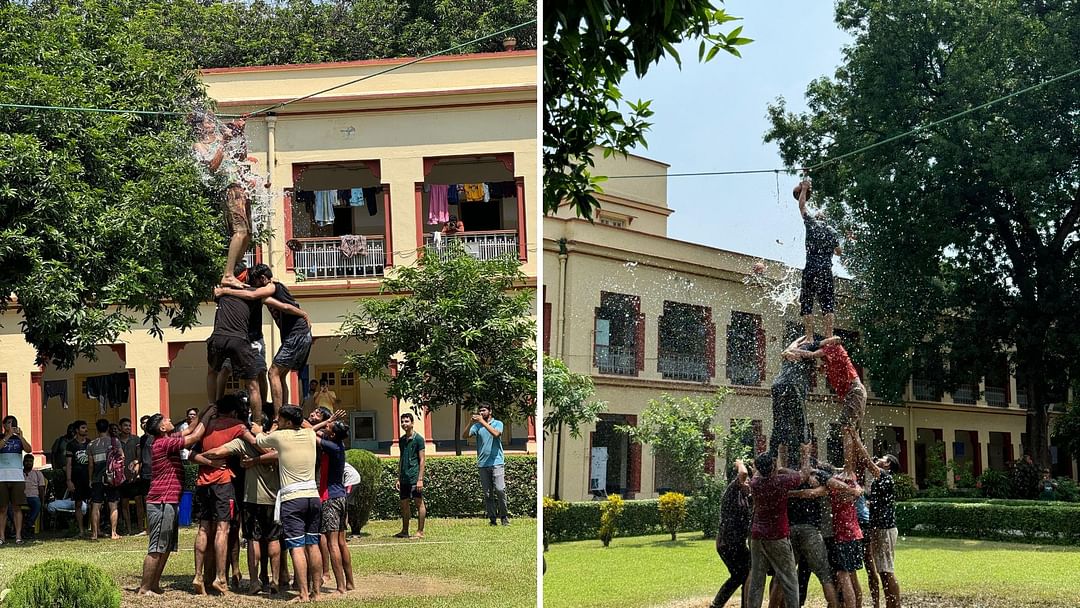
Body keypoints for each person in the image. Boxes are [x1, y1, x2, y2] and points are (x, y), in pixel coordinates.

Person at [253, 406, 344, 603]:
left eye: (280, 418)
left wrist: (268, 427)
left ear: (286, 422)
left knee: (296, 547)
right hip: (313, 497)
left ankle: (303, 593)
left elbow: (259, 440)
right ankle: (317, 593)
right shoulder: (310, 435)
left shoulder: (280, 436)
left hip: (292, 499)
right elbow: (311, 429)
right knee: (313, 544)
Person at [196, 407, 282, 596]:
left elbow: (217, 452)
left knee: (253, 539)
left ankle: (253, 582)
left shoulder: (242, 443)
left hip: (251, 497)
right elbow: (278, 455)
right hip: (274, 498)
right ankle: (275, 580)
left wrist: (201, 457)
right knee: (274, 539)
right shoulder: (279, 441)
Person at [136, 406, 214, 596]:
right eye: (165, 419)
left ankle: (154, 584)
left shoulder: (169, 439)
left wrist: (205, 412)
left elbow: (189, 429)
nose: (169, 419)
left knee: (166, 547)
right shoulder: (163, 443)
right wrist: (210, 414)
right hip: (162, 501)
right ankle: (144, 588)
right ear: (162, 428)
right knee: (156, 547)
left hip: (170, 500)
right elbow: (194, 437)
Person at [216, 263, 310, 411]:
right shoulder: (270, 292)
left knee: (273, 373)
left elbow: (259, 297)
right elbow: (253, 293)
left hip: (296, 334)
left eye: (255, 281)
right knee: (281, 375)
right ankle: (284, 410)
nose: (253, 285)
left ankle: (279, 416)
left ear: (263, 278)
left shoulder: (272, 287)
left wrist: (225, 291)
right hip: (298, 335)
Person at [193, 394, 250, 595]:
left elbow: (191, 454)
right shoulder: (236, 425)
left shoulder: (206, 426)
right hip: (223, 483)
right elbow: (257, 445)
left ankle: (199, 575)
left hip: (202, 482)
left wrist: (208, 462)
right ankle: (220, 577)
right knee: (223, 530)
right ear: (234, 411)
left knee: (203, 529)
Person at [190, 110, 250, 289]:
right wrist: (223, 141)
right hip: (228, 188)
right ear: (200, 126)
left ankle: (233, 269)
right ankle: (228, 274)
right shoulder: (198, 145)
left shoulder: (219, 138)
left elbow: (241, 156)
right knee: (239, 232)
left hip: (240, 187)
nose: (212, 123)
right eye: (208, 121)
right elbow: (212, 167)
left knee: (247, 235)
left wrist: (240, 134)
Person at [746, 447, 812, 608]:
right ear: (774, 467)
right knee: (790, 580)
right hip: (778, 537)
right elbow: (804, 474)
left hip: (757, 537)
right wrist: (805, 453)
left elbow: (757, 472)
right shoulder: (781, 481)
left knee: (756, 580)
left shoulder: (754, 483)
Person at [851, 432, 902, 608]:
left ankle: (894, 605)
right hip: (881, 529)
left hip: (884, 529)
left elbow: (866, 461)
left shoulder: (884, 476)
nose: (878, 459)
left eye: (882, 458)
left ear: (888, 464)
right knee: (883, 570)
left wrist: (856, 439)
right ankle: (891, 604)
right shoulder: (882, 480)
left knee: (887, 570)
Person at [206, 278, 265, 426]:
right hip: (239, 339)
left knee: (213, 372)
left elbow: (214, 290)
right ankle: (257, 423)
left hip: (218, 337)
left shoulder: (221, 294)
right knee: (252, 384)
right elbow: (260, 294)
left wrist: (225, 289)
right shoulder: (252, 292)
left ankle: (213, 407)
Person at [783, 467, 840, 608]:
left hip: (792, 531)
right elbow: (820, 489)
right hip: (812, 532)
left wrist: (792, 493)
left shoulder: (790, 480)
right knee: (825, 575)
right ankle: (834, 604)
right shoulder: (821, 483)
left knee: (784, 577)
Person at [795, 179, 841, 341]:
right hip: (825, 271)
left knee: (807, 302)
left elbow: (801, 206)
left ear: (817, 217)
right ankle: (828, 335)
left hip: (811, 269)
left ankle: (809, 337)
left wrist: (804, 189)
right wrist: (832, 247)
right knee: (828, 303)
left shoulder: (812, 223)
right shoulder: (832, 232)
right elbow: (839, 252)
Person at [827, 429, 867, 608]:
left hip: (845, 535)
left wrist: (848, 436)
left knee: (843, 575)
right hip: (854, 534)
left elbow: (848, 459)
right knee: (851, 575)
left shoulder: (838, 481)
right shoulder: (852, 481)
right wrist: (850, 435)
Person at [797, 336, 866, 432]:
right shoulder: (830, 362)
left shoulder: (833, 348)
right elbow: (821, 368)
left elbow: (812, 355)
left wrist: (794, 351)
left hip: (854, 391)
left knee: (847, 427)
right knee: (851, 429)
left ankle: (853, 447)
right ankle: (859, 447)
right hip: (855, 392)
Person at [772, 336, 819, 468]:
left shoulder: (791, 350)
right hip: (793, 386)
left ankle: (781, 467)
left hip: (777, 385)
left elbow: (791, 346)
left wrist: (801, 340)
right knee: (803, 427)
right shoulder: (806, 351)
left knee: (780, 427)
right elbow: (832, 342)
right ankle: (806, 468)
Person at [318, 421, 354, 595]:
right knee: (341, 542)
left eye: (328, 428)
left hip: (330, 499)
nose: (325, 428)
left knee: (332, 544)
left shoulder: (331, 446)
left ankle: (340, 585)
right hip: (341, 497)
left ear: (332, 434)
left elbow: (309, 433)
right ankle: (350, 583)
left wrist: (324, 422)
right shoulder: (337, 443)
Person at [711, 459, 751, 608]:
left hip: (737, 543)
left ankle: (719, 604)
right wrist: (740, 462)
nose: (749, 482)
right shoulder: (732, 491)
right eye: (747, 481)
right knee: (744, 573)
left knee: (743, 574)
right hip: (727, 543)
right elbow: (743, 473)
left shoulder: (745, 496)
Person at [464, 404, 509, 526]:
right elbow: (465, 435)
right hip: (483, 464)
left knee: (500, 490)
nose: (481, 412)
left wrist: (482, 422)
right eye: (480, 411)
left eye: (484, 410)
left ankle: (504, 516)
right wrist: (470, 422)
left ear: (490, 411)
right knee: (488, 494)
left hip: (497, 462)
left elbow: (496, 434)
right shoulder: (477, 426)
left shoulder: (498, 423)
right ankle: (492, 518)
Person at [87, 418, 122, 541]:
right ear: (108, 428)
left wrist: (90, 479)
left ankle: (94, 534)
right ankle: (113, 533)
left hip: (97, 478)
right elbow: (122, 457)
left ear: (97, 429)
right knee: (113, 505)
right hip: (111, 478)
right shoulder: (115, 441)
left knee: (96, 505)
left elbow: (90, 465)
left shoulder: (91, 445)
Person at [0, 416, 31, 545]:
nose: (11, 426)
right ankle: (1, 537)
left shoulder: (19, 439)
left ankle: (18, 536)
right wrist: (8, 436)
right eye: (9, 423)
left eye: (13, 424)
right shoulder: (1, 437)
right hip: (2, 476)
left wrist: (20, 437)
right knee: (2, 509)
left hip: (17, 476)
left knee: (17, 507)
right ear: (4, 425)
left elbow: (29, 450)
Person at [395, 412, 426, 539]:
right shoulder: (402, 440)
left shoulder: (418, 439)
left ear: (412, 423)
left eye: (407, 421)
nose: (404, 424)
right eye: (402, 421)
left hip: (414, 476)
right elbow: (401, 458)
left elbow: (422, 460)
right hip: (404, 478)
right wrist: (398, 477)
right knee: (404, 504)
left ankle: (420, 531)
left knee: (419, 503)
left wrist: (420, 479)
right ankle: (405, 530)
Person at [117, 417, 143, 535]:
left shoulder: (136, 439)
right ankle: (128, 529)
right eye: (125, 425)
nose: (127, 427)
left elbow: (139, 456)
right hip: (121, 476)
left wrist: (137, 464)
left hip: (134, 475)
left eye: (129, 425)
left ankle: (140, 528)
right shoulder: (116, 441)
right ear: (120, 427)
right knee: (124, 503)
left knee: (138, 501)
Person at [20, 454, 45, 539]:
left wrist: (42, 500)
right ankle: (18, 527)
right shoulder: (19, 473)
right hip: (20, 497)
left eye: (31, 461)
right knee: (8, 507)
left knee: (37, 504)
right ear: (23, 462)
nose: (29, 463)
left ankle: (27, 526)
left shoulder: (38, 473)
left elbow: (41, 488)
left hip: (33, 497)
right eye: (27, 461)